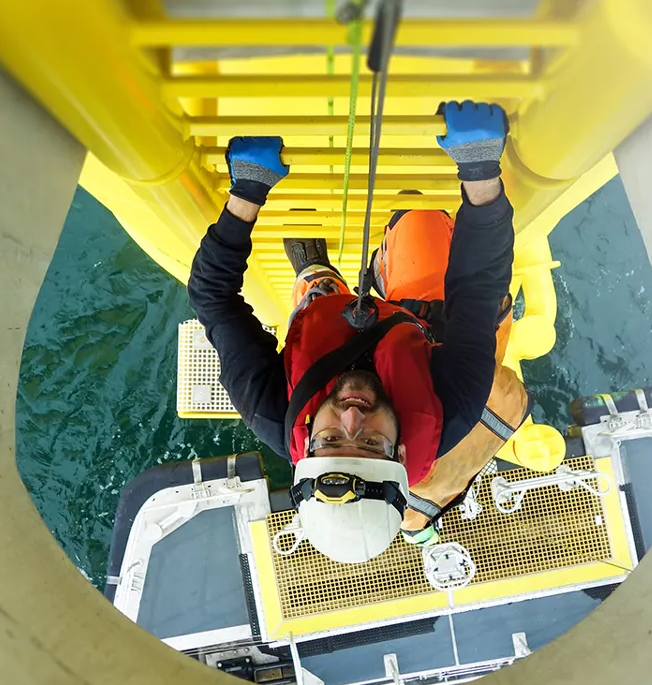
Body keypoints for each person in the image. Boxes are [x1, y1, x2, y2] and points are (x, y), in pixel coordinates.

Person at [188, 101, 526, 563]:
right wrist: (481, 171)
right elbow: (478, 287)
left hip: (328, 325)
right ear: (400, 454)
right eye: (370, 443)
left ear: (307, 446)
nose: (351, 416)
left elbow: (212, 297)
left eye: (331, 440)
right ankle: (378, 255)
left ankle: (316, 272)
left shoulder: (270, 409)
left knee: (315, 294)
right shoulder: (454, 408)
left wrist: (246, 193)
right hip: (421, 329)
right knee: (420, 216)